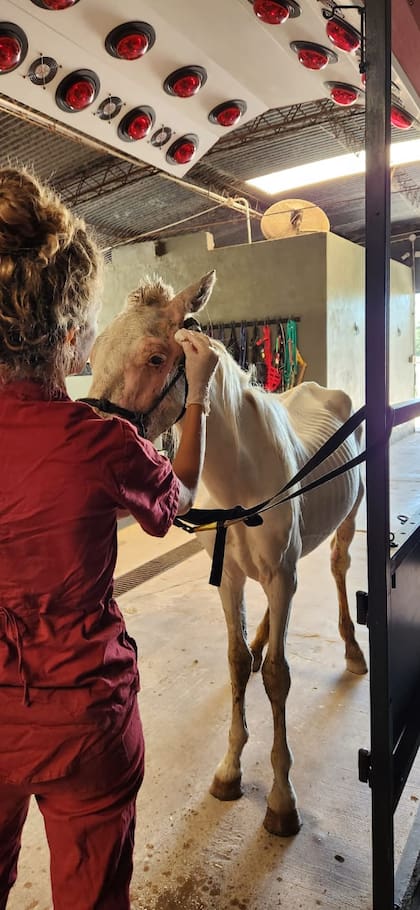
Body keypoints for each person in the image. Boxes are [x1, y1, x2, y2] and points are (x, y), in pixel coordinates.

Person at [0, 165, 219, 910]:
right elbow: (178, 501)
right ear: (67, 336)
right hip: (83, 720)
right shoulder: (100, 444)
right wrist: (199, 405)